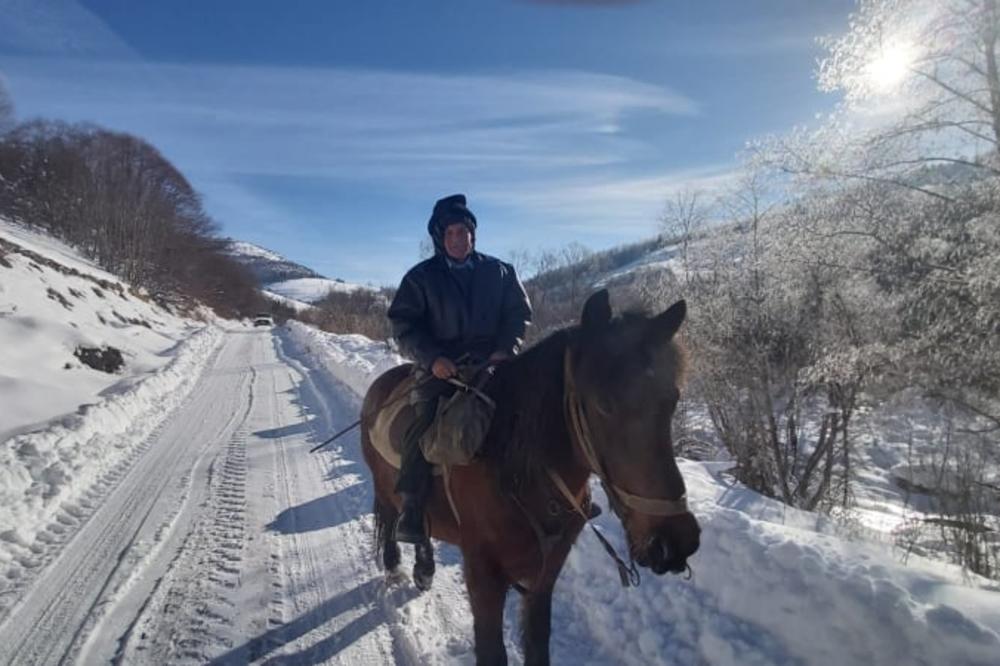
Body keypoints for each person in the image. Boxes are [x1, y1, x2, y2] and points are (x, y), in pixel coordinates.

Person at [387, 193, 532, 543]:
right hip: (441, 367)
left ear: (473, 235)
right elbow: (403, 326)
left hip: (492, 364)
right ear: (440, 237)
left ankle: (552, 496)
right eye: (451, 233)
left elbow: (518, 315)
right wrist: (432, 358)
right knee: (421, 422)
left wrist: (505, 349)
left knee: (535, 411)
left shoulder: (499, 271)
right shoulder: (420, 278)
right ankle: (411, 505)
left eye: (464, 232)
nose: (458, 239)